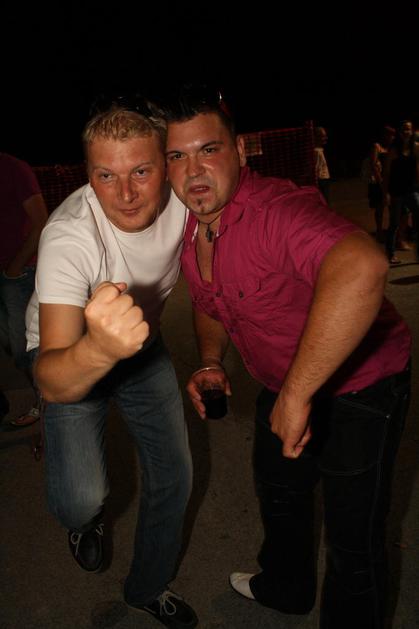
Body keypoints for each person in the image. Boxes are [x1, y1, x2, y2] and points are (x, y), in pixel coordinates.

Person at [161, 84, 412, 629]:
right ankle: (286, 587)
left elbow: (363, 266)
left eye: (208, 149)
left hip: (362, 383)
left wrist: (297, 394)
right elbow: (208, 301)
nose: (193, 170)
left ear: (240, 150)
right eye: (176, 156)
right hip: (283, 378)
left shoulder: (277, 210)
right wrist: (210, 361)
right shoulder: (191, 225)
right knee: (279, 490)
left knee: (353, 538)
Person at [25, 101, 198, 629]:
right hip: (72, 350)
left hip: (143, 346)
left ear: (165, 165)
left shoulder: (184, 199)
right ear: (88, 175)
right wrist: (100, 350)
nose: (125, 194)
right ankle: (85, 523)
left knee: (176, 476)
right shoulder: (68, 235)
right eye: (106, 176)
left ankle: (147, 587)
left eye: (140, 171)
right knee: (80, 499)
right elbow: (51, 380)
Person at [0, 151, 48, 428]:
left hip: (20, 273)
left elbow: (41, 222)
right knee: (9, 343)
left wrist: (15, 268)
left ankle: (47, 403)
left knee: (25, 347)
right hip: (5, 274)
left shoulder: (14, 168)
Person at [382, 119, 419, 264]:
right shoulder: (394, 150)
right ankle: (390, 253)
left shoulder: (416, 147)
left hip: (412, 190)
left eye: (408, 129)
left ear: (412, 131)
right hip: (396, 191)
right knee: (394, 223)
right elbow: (386, 173)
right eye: (404, 129)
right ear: (399, 131)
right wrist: (385, 193)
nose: (406, 132)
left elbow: (417, 169)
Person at [363, 125, 395, 242]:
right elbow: (373, 165)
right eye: (389, 134)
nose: (391, 137)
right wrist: (380, 181)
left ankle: (391, 231)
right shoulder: (377, 146)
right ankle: (379, 231)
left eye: (392, 135)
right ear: (384, 135)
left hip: (390, 181)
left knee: (393, 207)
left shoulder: (391, 148)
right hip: (378, 182)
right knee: (380, 208)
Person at [314, 126, 331, 203]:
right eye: (323, 136)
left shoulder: (320, 150)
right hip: (321, 180)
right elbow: (316, 167)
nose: (326, 138)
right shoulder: (317, 152)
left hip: (323, 179)